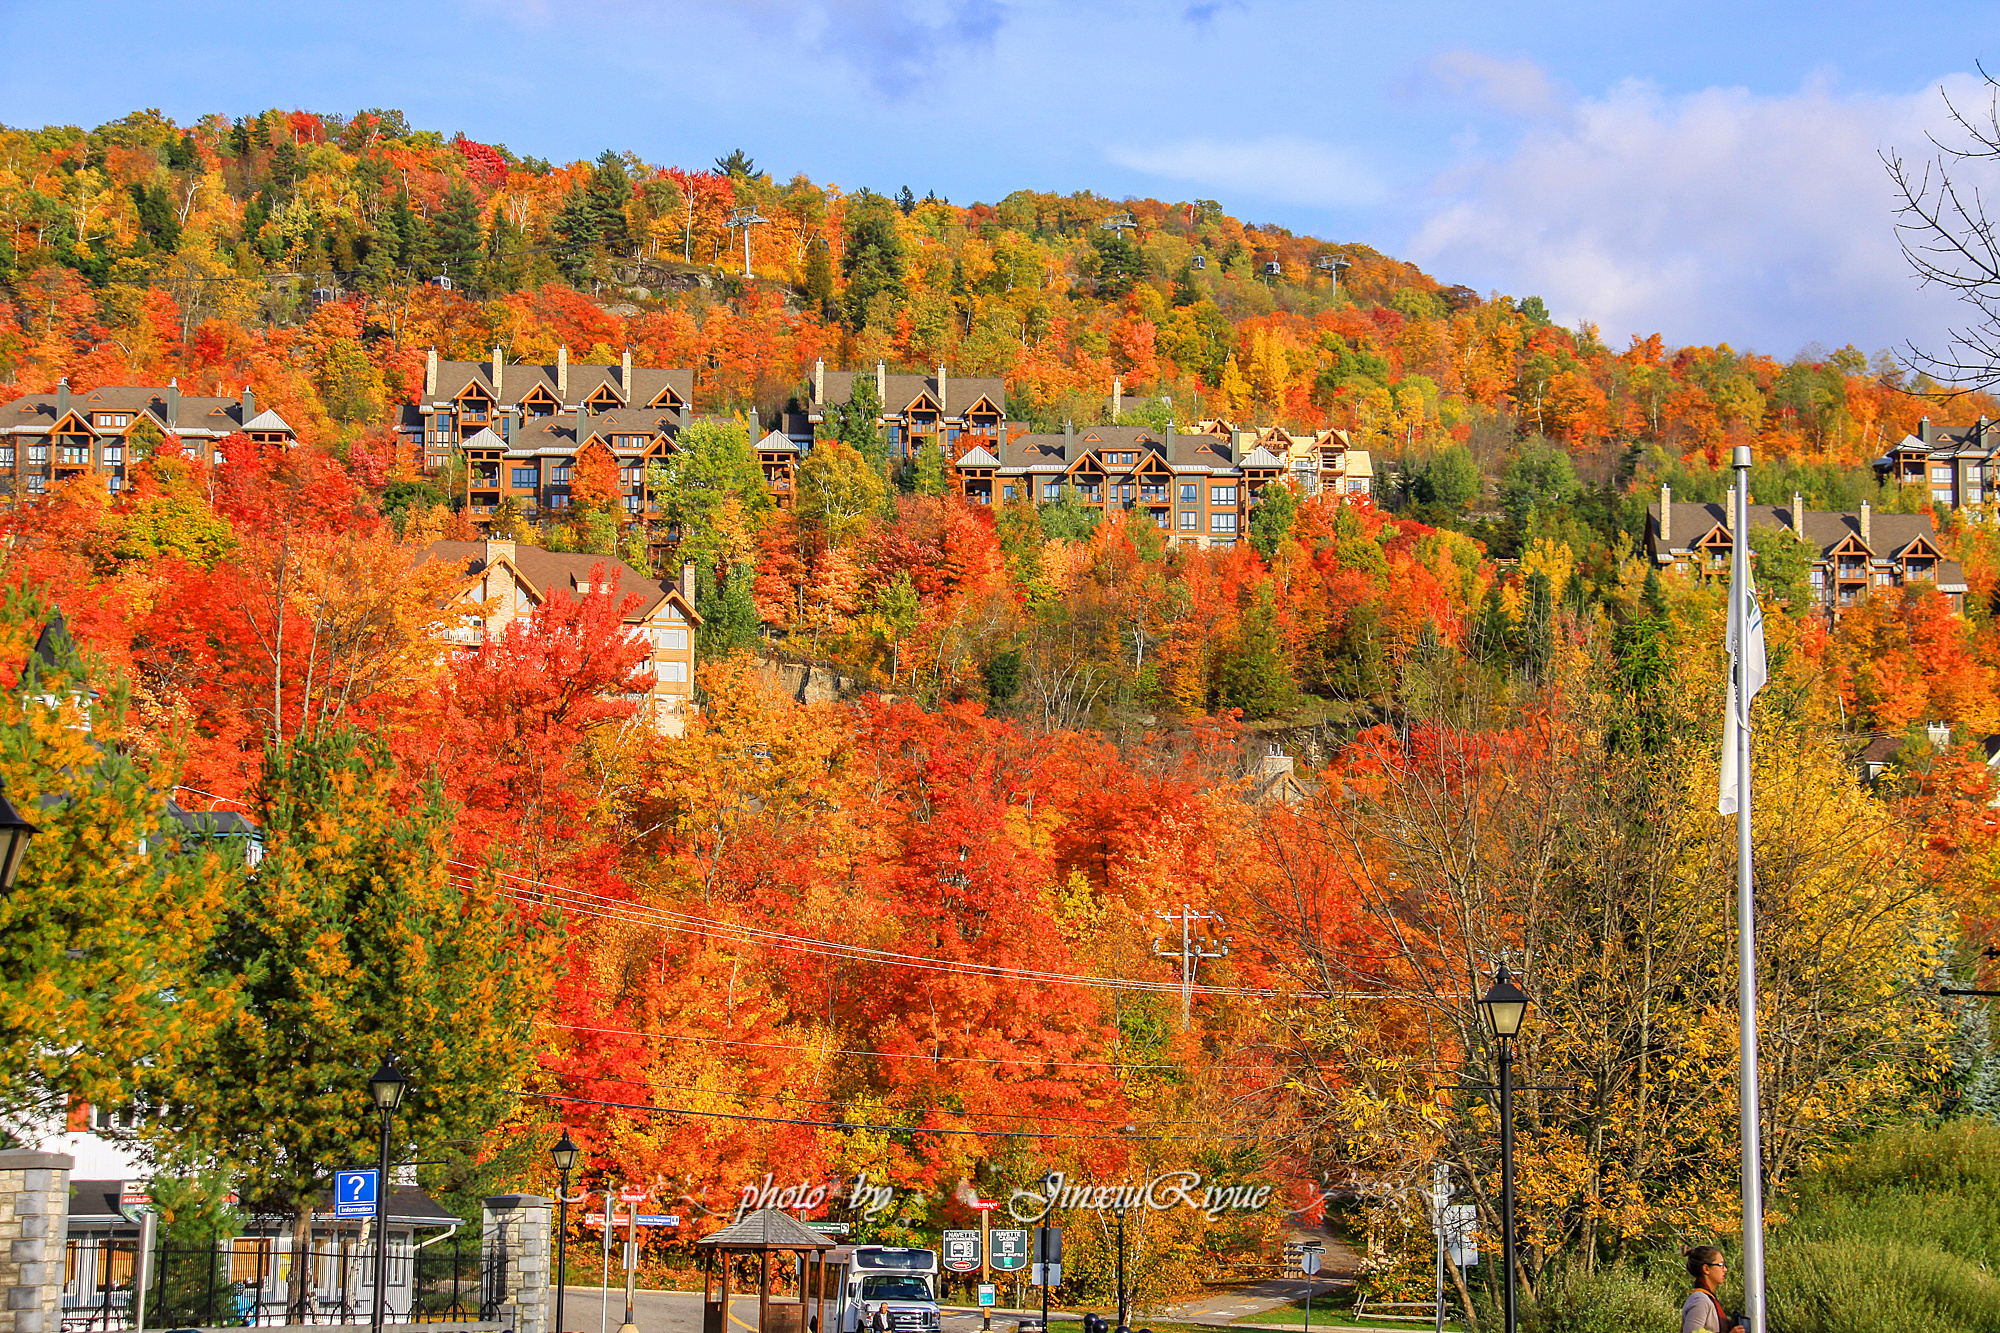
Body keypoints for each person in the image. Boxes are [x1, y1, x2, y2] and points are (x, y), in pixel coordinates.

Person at [1681, 1246, 1744, 1333]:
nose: (1725, 1270)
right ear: (1706, 1269)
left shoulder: (1706, 1298)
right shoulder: (1700, 1300)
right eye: (1721, 1265)